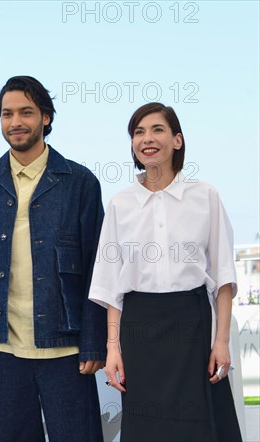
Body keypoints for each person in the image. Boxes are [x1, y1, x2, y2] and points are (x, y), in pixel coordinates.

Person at [0, 75, 107, 442]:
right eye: (7, 114)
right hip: (3, 347)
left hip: (65, 347)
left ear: (46, 118)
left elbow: (98, 268)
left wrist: (94, 341)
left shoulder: (80, 182)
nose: (15, 122)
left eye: (26, 112)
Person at [89, 102, 242, 441]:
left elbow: (224, 276)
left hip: (193, 326)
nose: (147, 138)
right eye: (138, 132)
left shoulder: (205, 196)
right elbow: (111, 286)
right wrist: (113, 348)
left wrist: (222, 341)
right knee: (146, 428)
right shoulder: (120, 203)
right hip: (138, 330)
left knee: (200, 427)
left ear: (177, 140)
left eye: (157, 129)